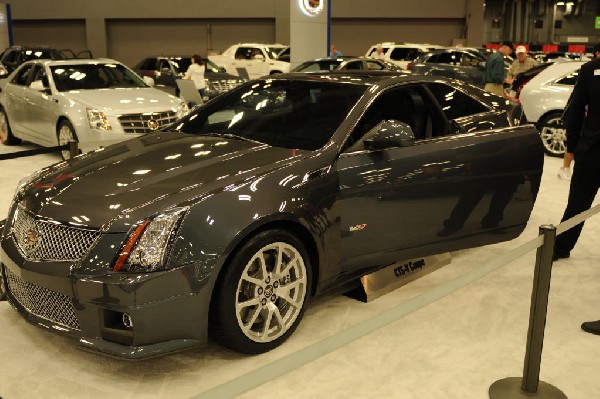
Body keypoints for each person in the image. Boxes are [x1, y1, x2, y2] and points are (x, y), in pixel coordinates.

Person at [553, 42, 600, 335]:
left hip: (591, 150)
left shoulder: (590, 70)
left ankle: (559, 245)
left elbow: (574, 113)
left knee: (579, 203)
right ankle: (560, 245)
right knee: (578, 203)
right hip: (591, 151)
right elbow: (573, 113)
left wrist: (573, 150)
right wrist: (571, 151)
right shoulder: (589, 70)